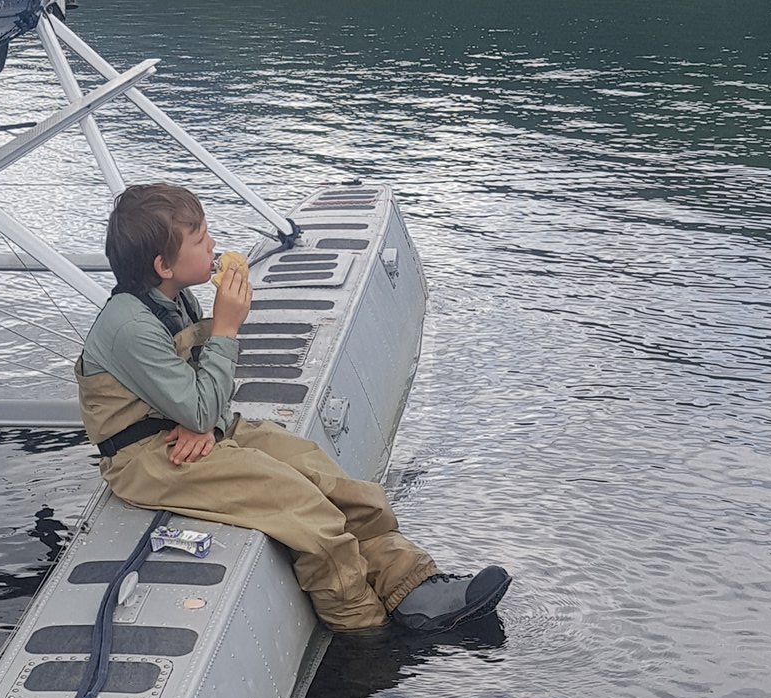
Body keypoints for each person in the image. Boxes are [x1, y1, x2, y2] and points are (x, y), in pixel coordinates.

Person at [75, 182, 510, 636]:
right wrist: (225, 331)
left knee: (330, 480)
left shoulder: (174, 299)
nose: (214, 245)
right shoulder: (129, 328)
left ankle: (411, 584)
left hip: (191, 429)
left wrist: (202, 421)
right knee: (303, 508)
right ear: (163, 265)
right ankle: (365, 628)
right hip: (150, 458)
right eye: (201, 239)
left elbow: (201, 396)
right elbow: (200, 398)